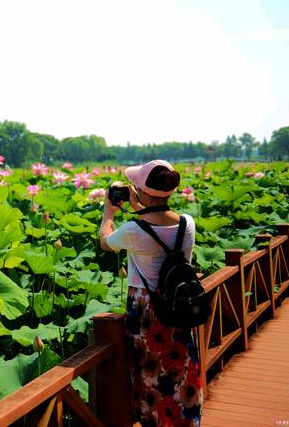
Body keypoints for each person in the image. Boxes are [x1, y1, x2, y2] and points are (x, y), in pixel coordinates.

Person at [99, 160, 202, 426]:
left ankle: (153, 420)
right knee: (180, 365)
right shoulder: (187, 224)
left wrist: (108, 215)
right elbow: (159, 225)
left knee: (150, 371)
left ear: (143, 192)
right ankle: (186, 417)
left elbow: (105, 242)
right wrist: (140, 206)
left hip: (146, 308)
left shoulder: (133, 230)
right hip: (178, 301)